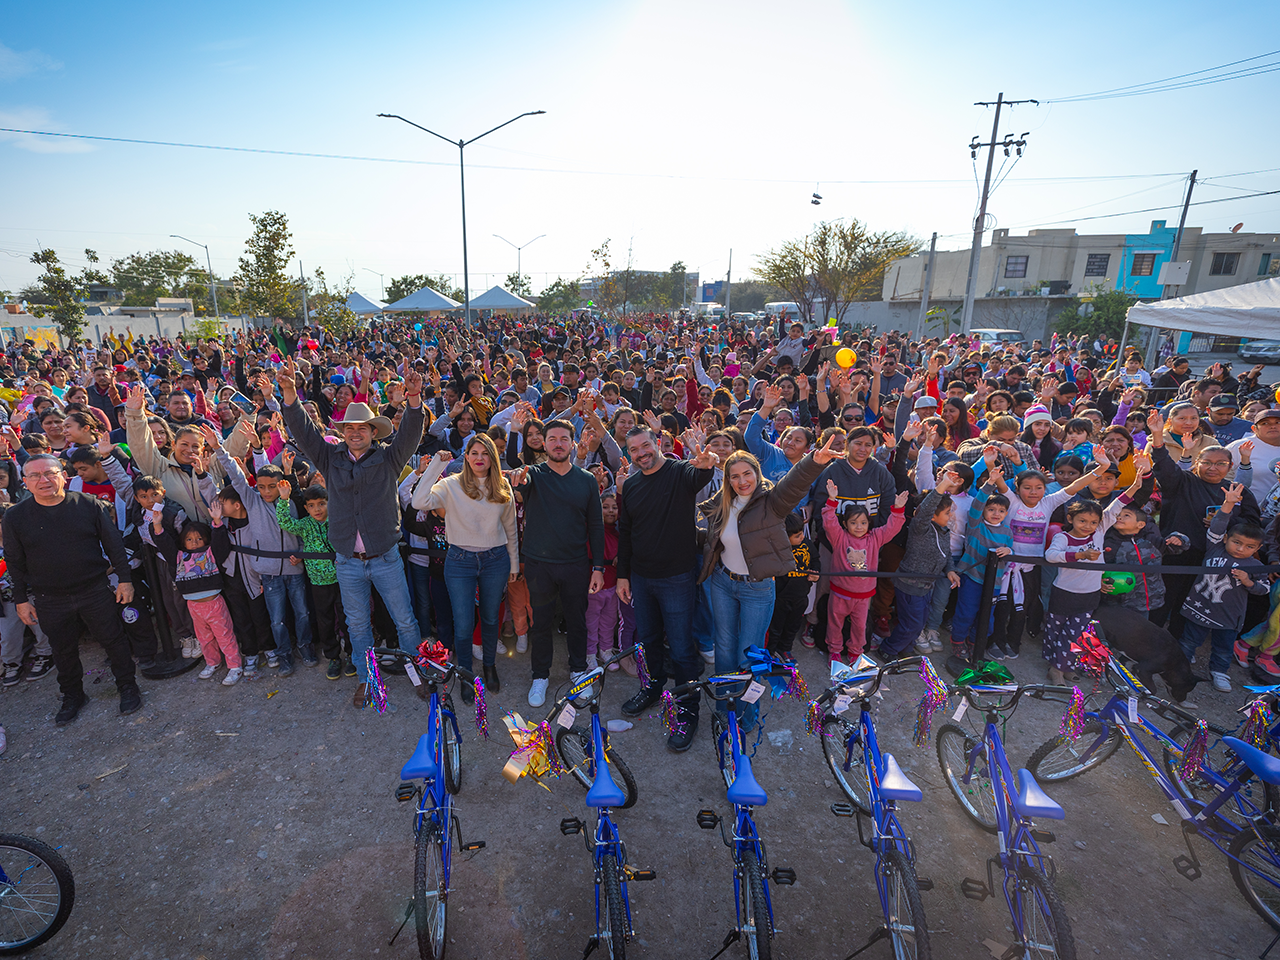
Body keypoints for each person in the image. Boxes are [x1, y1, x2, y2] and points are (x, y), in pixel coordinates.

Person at [278, 358, 427, 708]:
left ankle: (421, 674)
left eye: (362, 428)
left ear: (373, 432)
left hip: (386, 557)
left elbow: (411, 432)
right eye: (349, 428)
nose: (355, 433)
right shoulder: (330, 459)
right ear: (343, 433)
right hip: (347, 561)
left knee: (405, 620)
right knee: (357, 626)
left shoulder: (390, 458)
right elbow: (304, 432)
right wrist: (289, 395)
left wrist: (415, 399)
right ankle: (365, 678)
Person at [699, 439, 839, 726]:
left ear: (756, 473)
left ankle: (746, 716)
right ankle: (725, 707)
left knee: (749, 654)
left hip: (757, 589)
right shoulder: (721, 504)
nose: (741, 481)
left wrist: (814, 460)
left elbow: (794, 485)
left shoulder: (772, 502)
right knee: (724, 648)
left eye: (746, 473)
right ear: (727, 480)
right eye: (734, 476)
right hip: (723, 583)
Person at [2, 454, 141, 725]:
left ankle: (128, 686)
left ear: (63, 475)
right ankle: (73, 695)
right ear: (25, 482)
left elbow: (113, 545)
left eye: (50, 473)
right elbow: (15, 562)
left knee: (114, 640)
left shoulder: (88, 505)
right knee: (62, 650)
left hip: (94, 589)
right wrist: (21, 600)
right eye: (35, 476)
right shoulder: (15, 516)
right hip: (48, 597)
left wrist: (125, 579)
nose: (44, 480)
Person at [616, 426, 719, 751]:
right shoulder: (630, 485)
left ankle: (688, 711)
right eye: (634, 450)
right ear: (629, 453)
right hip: (643, 579)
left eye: (645, 445)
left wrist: (703, 459)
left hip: (676, 577)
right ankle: (653, 687)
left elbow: (701, 473)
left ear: (657, 443)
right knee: (647, 642)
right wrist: (623, 575)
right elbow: (626, 533)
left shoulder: (681, 472)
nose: (641, 453)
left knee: (682, 647)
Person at [507, 420, 606, 708]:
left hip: (575, 564)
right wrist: (518, 477)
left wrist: (598, 567)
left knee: (577, 621)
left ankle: (577, 672)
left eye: (564, 438)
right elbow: (518, 474)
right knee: (541, 623)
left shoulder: (586, 480)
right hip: (539, 564)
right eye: (552, 439)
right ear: (545, 443)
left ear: (573, 444)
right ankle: (540, 675)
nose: (558, 443)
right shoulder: (533, 475)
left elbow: (596, 526)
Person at [411, 437, 519, 698]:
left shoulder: (502, 485)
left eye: (485, 453)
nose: (479, 457)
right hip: (460, 561)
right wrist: (437, 464)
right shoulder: (451, 484)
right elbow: (419, 501)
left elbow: (511, 527)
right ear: (466, 456)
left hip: (495, 560)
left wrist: (514, 563)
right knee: (463, 623)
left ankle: (490, 665)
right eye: (473, 452)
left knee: (491, 618)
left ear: (493, 457)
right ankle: (466, 674)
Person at [1180, 483, 1267, 692]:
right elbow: (1217, 526)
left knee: (1223, 647)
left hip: (1229, 615)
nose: (1240, 549)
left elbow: (1264, 589)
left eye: (1249, 547)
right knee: (1189, 640)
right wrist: (1228, 504)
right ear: (1227, 539)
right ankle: (1180, 663)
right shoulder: (1215, 547)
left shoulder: (1256, 565)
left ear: (1258, 548)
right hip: (1199, 606)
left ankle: (1219, 672)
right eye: (1236, 542)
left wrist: (1248, 582)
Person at [821, 484, 908, 664]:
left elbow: (892, 528)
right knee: (835, 624)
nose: (858, 527)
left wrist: (898, 510)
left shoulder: (875, 537)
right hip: (839, 593)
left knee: (860, 627)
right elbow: (829, 522)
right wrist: (831, 501)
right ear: (845, 524)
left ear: (869, 523)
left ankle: (855, 652)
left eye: (863, 522)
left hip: (863, 596)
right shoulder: (839, 537)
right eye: (853, 522)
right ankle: (834, 650)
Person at [152, 515, 243, 685]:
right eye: (189, 539)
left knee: (224, 636)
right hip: (194, 606)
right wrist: (157, 524)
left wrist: (216, 523)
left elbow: (220, 543)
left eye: (199, 538)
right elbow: (165, 545)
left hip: (214, 604)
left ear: (206, 539)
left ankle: (235, 665)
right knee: (204, 638)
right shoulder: (179, 557)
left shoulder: (211, 553)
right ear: (183, 541)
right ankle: (213, 662)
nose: (194, 542)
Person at [273, 480, 349, 681]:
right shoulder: (305, 525)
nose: (317, 509)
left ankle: (351, 654)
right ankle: (333, 657)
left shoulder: (338, 520)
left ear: (329, 503)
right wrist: (283, 498)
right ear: (306, 507)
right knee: (325, 621)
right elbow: (285, 523)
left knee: (346, 618)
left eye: (322, 504)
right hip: (318, 582)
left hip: (343, 579)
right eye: (312, 505)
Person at [767, 512, 818, 662]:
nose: (801, 537)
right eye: (797, 536)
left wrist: (816, 572)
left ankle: (785, 649)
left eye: (801, 533)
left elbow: (815, 560)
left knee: (792, 626)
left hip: (801, 597)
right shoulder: (777, 551)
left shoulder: (807, 544)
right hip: (781, 597)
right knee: (775, 627)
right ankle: (770, 652)